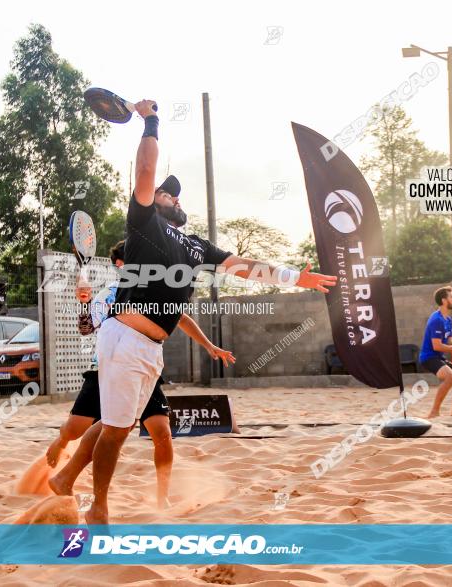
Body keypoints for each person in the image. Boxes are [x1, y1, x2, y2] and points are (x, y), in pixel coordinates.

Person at [76, 99, 337, 524]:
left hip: (151, 347)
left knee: (115, 426)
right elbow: (145, 171)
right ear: (153, 200)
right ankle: (98, 509)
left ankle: (66, 481)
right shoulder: (143, 223)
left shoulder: (196, 244)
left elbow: (244, 267)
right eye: (166, 191)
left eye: (177, 193)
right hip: (124, 337)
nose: (173, 196)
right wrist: (150, 121)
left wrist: (295, 278)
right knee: (117, 430)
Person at [46, 240, 234, 509]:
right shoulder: (110, 294)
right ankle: (63, 443)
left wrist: (209, 345)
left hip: (144, 367)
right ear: (121, 265)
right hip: (108, 367)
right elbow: (86, 328)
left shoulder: (157, 289)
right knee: (77, 428)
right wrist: (84, 303)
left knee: (161, 431)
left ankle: (162, 496)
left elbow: (181, 318)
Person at [419, 286, 452, 418]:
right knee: (450, 377)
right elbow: (437, 346)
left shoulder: (447, 319)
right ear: (444, 300)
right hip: (428, 358)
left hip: (438, 357)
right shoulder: (436, 320)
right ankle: (434, 412)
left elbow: (449, 342)